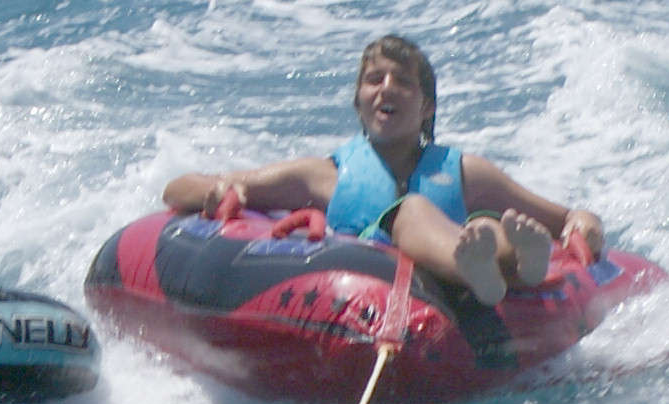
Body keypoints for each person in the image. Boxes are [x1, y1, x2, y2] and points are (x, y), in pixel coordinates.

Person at [159, 36, 605, 309]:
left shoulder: (468, 173)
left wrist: (584, 225)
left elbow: (570, 219)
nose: (386, 88)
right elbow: (177, 188)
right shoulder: (322, 176)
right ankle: (478, 266)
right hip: (375, 277)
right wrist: (220, 191)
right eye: (374, 80)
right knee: (411, 212)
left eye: (402, 82)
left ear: (426, 108)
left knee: (487, 225)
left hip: (473, 271)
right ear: (358, 102)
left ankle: (519, 264)